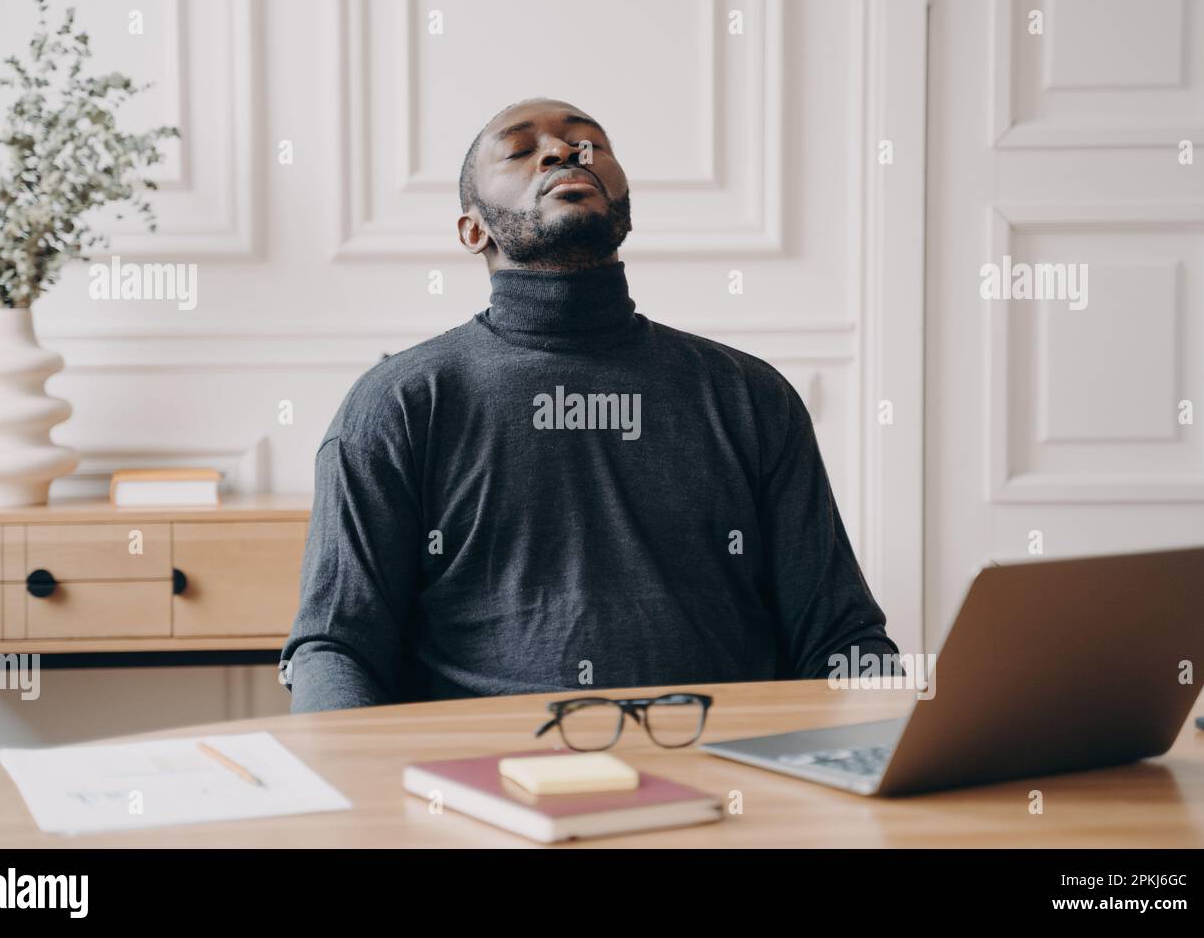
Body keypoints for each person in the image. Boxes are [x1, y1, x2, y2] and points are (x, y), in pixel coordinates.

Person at [280, 97, 899, 712]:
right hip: (483, 783)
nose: (562, 152)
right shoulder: (400, 403)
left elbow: (840, 637)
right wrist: (367, 799)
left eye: (587, 144)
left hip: (729, 774)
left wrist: (883, 760)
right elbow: (336, 648)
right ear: (474, 229)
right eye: (521, 150)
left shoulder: (751, 395)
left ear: (625, 207)